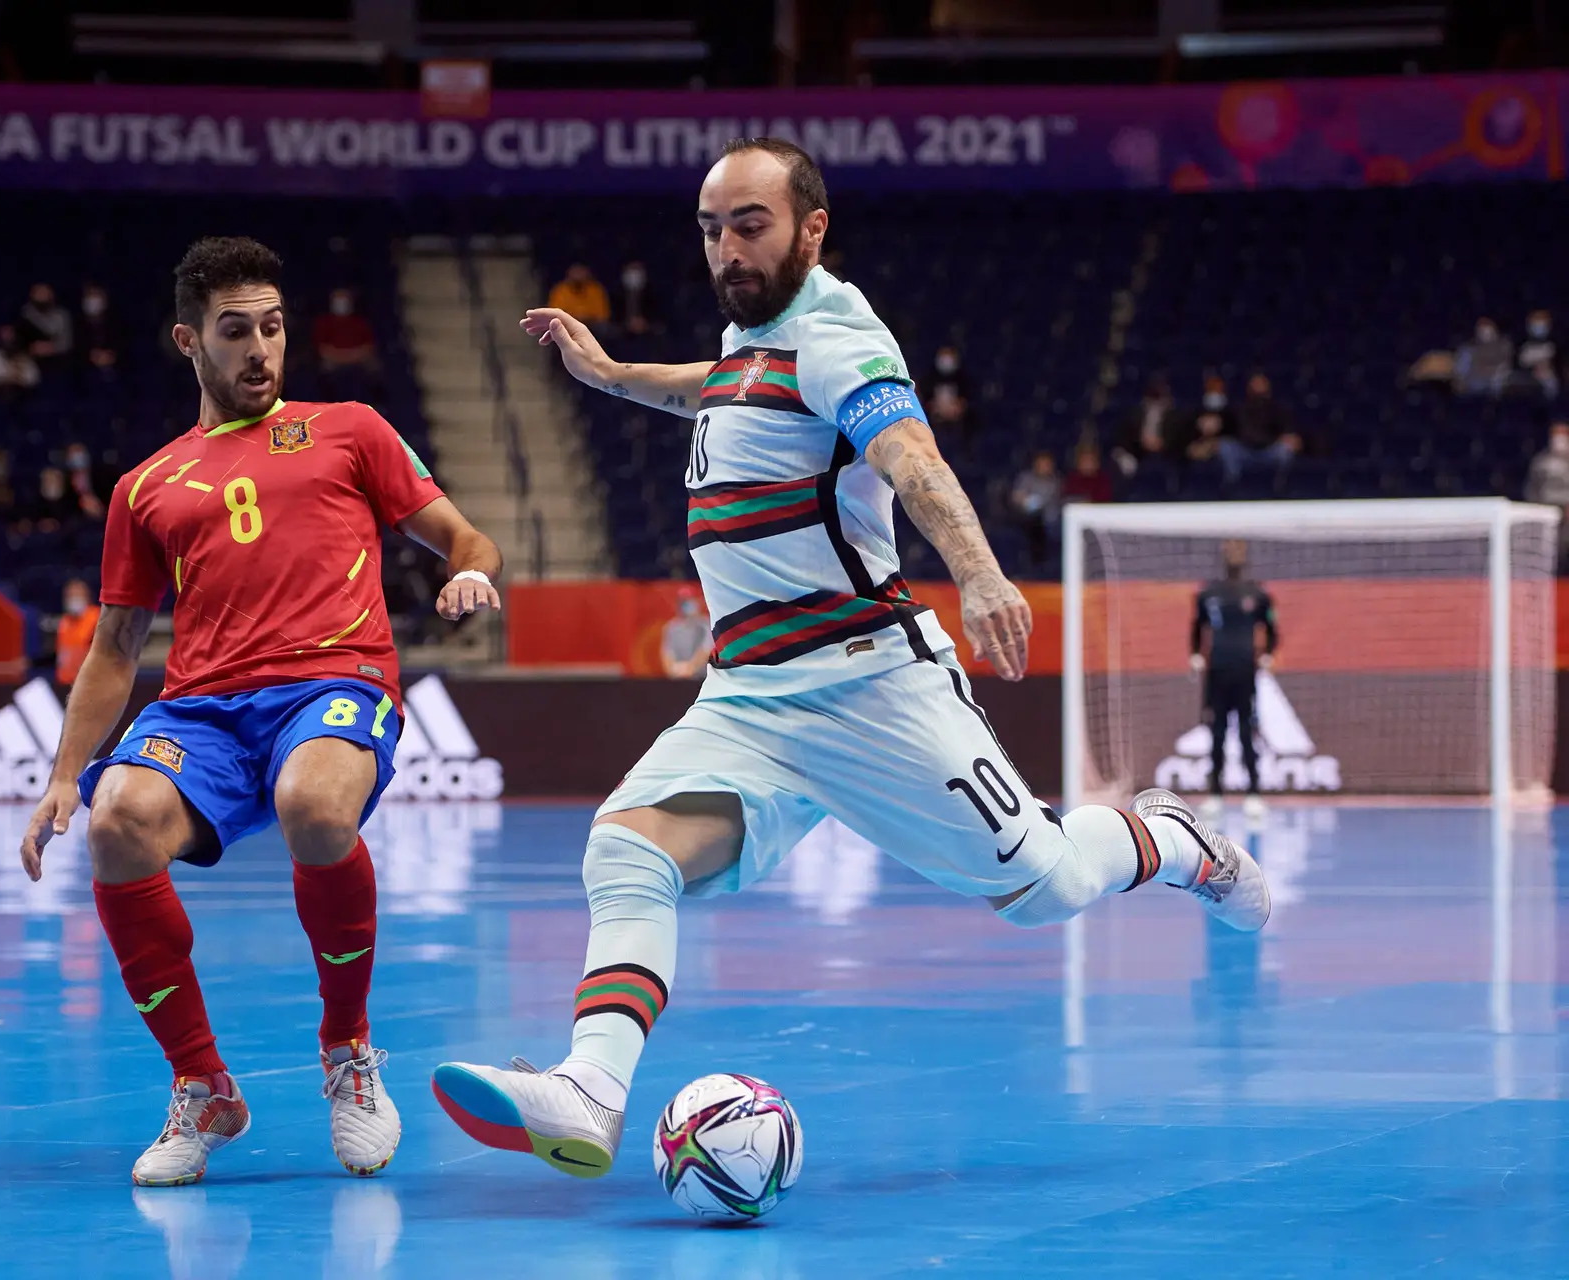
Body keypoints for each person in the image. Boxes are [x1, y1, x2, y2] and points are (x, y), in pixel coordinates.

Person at [433, 137, 1270, 1180]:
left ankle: (1174, 839)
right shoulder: (758, 340)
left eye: (751, 225)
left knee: (1048, 883)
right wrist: (607, 375)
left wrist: (981, 571)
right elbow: (718, 386)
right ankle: (592, 1088)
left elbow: (911, 454)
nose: (727, 249)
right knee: (627, 848)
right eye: (710, 229)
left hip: (868, 684)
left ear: (811, 228)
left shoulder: (835, 336)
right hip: (748, 700)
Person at [17, 237, 504, 1187]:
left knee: (315, 806)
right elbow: (116, 649)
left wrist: (473, 570)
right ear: (188, 341)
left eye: (272, 329)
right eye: (234, 331)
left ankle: (349, 1055)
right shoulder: (145, 488)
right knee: (116, 827)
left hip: (335, 681)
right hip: (201, 707)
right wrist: (64, 776)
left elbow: (459, 532)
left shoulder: (351, 429)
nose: (259, 351)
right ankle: (204, 1089)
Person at [1191, 541, 1277, 821]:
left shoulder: (1257, 594)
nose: (1234, 558)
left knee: (1245, 730)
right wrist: (1195, 654)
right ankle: (1215, 794)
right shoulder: (1208, 594)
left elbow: (1272, 628)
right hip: (1217, 672)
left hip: (1244, 672)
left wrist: (1267, 654)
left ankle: (1253, 794)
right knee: (1216, 732)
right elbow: (1197, 626)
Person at [1218, 371, 1301, 484]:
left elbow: (1289, 432)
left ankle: (1280, 484)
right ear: (1249, 389)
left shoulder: (1278, 409)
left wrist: (1289, 438)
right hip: (1245, 450)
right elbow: (1245, 433)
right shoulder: (1239, 409)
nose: (1259, 389)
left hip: (1269, 451)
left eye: (1261, 385)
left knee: (1285, 450)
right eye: (1255, 385)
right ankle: (1232, 483)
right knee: (1225, 445)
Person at [1524, 421, 1569, 565]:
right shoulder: (1540, 462)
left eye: (1563, 434)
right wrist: (1538, 511)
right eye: (1556, 434)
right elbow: (1532, 490)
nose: (1559, 439)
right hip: (1546, 512)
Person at [1009, 450, 1062, 565]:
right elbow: (1016, 496)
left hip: (1049, 518)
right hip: (1025, 515)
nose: (1044, 467)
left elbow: (1049, 501)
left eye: (1047, 464)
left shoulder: (1055, 482)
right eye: (1041, 463)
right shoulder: (1026, 478)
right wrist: (1024, 500)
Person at [55, 578, 101, 687]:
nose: (73, 599)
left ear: (87, 597)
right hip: (64, 682)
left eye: (77, 595)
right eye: (70, 596)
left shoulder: (96, 618)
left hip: (88, 682)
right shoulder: (64, 621)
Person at [659, 588, 712, 679]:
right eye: (683, 602)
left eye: (690, 601)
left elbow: (706, 649)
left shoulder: (706, 624)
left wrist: (691, 667)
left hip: (703, 678)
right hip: (679, 678)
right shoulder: (672, 627)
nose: (687, 606)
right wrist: (673, 671)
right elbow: (667, 653)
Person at [1455, 317, 1512, 397]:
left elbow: (1505, 364)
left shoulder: (1504, 345)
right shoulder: (1469, 348)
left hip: (1495, 381)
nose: (1485, 332)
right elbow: (1461, 371)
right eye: (1481, 330)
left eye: (1487, 329)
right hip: (1475, 383)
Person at [0, 324, 41, 393]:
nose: (7, 336)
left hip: (21, 398)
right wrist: (4, 379)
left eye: (10, 332)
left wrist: (17, 378)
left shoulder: (23, 357)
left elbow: (33, 380)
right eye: (4, 332)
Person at [21, 283, 74, 363]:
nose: (41, 295)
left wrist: (51, 348)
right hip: (30, 359)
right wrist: (31, 348)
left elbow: (67, 342)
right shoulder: (25, 314)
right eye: (38, 292)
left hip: (58, 359)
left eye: (44, 292)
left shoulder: (62, 315)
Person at [546, 263, 610, 324]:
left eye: (580, 272)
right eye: (575, 272)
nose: (578, 275)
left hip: (592, 325)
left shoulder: (595, 290)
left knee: (604, 329)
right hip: (567, 323)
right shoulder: (560, 290)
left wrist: (584, 318)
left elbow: (602, 315)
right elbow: (556, 314)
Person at [1517, 310, 1559, 400]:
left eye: (1542, 325)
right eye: (1536, 325)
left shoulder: (1551, 345)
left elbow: (1552, 360)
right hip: (1528, 379)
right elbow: (1522, 362)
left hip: (1547, 377)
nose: (1539, 328)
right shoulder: (1526, 346)